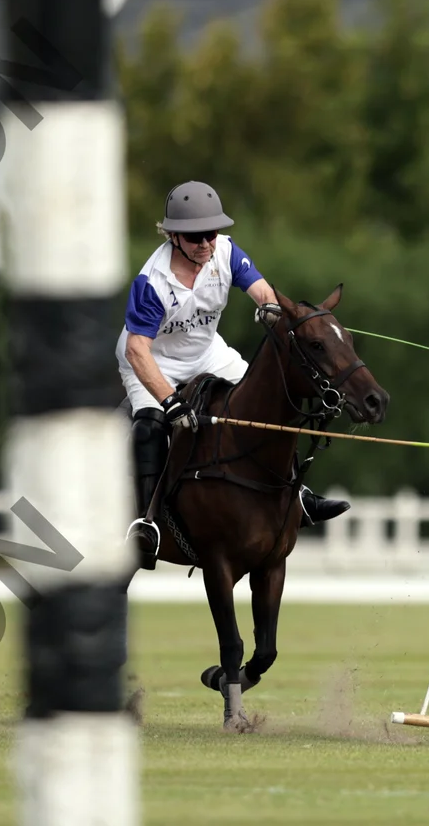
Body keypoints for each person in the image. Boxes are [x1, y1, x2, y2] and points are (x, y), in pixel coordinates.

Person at [118, 181, 349, 566]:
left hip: (207, 351)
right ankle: (146, 523)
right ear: (173, 236)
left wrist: (270, 311)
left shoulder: (225, 252)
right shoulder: (152, 283)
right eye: (194, 237)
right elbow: (136, 349)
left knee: (268, 402)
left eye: (210, 233)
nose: (205, 243)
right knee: (151, 425)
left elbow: (263, 293)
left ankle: (298, 495)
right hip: (154, 360)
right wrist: (170, 402)